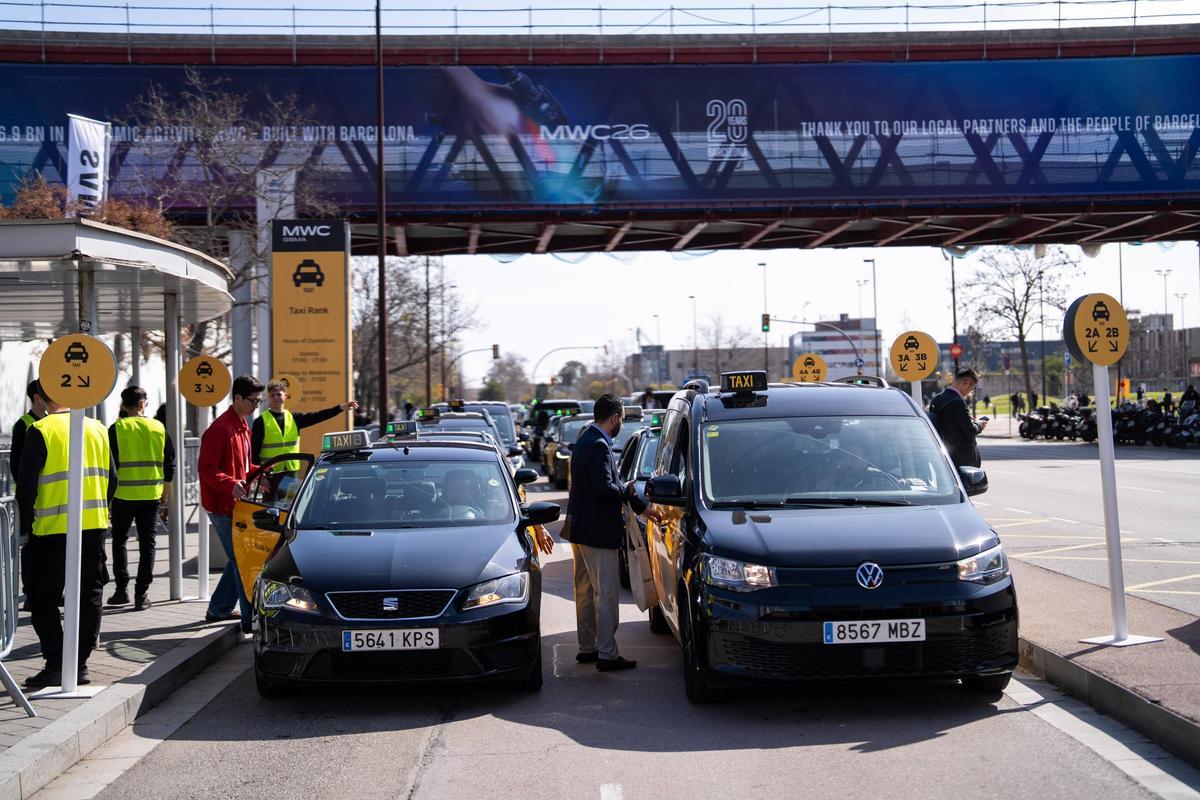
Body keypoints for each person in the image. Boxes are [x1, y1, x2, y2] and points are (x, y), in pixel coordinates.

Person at [16, 396, 114, 688]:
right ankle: (79, 664)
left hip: (51, 529)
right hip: (93, 525)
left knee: (41, 597)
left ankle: (57, 662)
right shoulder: (97, 428)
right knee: (89, 593)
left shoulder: (41, 429)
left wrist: (23, 530)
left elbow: (26, 486)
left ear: (44, 399)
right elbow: (113, 479)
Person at [564, 394, 646, 672]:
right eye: (621, 419)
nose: (620, 423)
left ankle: (587, 647)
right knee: (606, 593)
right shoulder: (599, 445)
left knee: (585, 591)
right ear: (613, 418)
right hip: (598, 531)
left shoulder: (585, 440)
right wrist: (627, 489)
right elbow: (605, 490)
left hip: (581, 529)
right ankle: (607, 654)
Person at [199, 375, 263, 633]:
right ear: (238, 398)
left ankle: (219, 609)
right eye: (253, 401)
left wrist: (261, 474)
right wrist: (231, 484)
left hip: (237, 504)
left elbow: (244, 467)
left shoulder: (242, 425)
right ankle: (249, 620)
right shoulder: (220, 429)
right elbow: (206, 469)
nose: (256, 406)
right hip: (222, 507)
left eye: (259, 401)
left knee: (236, 558)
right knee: (241, 559)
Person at [107, 386, 174, 611]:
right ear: (143, 403)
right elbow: (169, 460)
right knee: (148, 544)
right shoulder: (158, 427)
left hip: (122, 496)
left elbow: (110, 466)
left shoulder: (116, 429)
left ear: (124, 405)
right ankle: (141, 594)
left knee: (119, 541)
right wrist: (166, 486)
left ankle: (121, 590)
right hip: (150, 496)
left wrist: (106, 497)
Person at [251, 379, 358, 470]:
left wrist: (339, 408)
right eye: (272, 395)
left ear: (286, 396)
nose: (275, 397)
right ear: (268, 397)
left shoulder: (294, 418)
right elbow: (254, 453)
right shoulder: (261, 421)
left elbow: (318, 416)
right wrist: (259, 474)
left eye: (278, 394)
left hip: (292, 471)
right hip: (269, 472)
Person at [12, 380, 50, 610]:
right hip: (31, 499)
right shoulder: (23, 425)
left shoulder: (51, 423)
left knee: (48, 547)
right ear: (38, 398)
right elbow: (16, 466)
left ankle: (47, 590)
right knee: (31, 547)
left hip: (51, 498)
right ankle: (30, 592)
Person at [929, 368, 988, 469]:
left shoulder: (937, 399)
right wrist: (979, 424)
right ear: (965, 383)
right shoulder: (958, 403)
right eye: (972, 389)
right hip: (960, 460)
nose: (970, 392)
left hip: (942, 455)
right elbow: (969, 430)